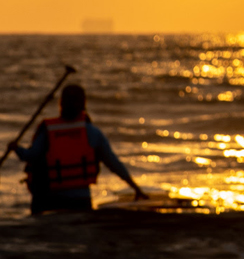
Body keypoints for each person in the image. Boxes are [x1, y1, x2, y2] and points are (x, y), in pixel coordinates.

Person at [11, 83, 148, 214]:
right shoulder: (92, 132)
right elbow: (114, 164)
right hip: (80, 201)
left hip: (49, 201)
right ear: (83, 104)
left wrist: (16, 148)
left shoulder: (49, 130)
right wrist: (136, 188)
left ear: (61, 104)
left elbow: (29, 156)